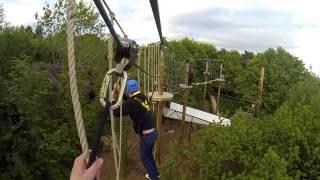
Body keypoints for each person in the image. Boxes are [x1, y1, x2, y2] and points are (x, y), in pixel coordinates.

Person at [112, 79, 160, 180]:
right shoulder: (142, 97)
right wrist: (120, 91)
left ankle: (154, 177)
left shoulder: (132, 103)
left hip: (147, 136)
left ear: (128, 90)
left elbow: (116, 112)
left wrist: (112, 99)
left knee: (145, 158)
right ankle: (156, 174)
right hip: (153, 132)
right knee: (149, 155)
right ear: (137, 87)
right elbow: (130, 101)